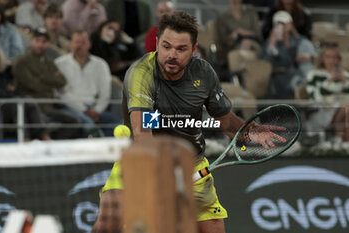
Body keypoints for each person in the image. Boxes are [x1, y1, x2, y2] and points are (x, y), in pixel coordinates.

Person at [92, 11, 286, 233]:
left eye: (181, 49)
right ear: (156, 44)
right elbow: (143, 132)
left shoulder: (203, 74)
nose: (171, 55)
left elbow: (224, 122)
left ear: (194, 50)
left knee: (212, 228)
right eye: (166, 47)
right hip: (140, 159)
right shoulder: (142, 74)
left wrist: (248, 132)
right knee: (108, 221)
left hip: (192, 163)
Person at [12, 27, 81, 140]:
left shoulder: (49, 62)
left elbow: (62, 81)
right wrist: (50, 78)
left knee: (74, 122)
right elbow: (32, 85)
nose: (40, 45)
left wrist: (39, 77)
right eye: (37, 40)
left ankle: (53, 148)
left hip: (49, 106)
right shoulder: (21, 61)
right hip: (31, 107)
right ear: (31, 41)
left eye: (44, 42)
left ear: (48, 44)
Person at [55, 30, 119, 137]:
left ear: (89, 44)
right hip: (70, 107)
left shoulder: (101, 64)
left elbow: (105, 94)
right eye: (77, 42)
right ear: (70, 44)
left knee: (117, 124)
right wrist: (83, 110)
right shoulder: (59, 63)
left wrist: (96, 110)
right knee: (85, 122)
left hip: (95, 108)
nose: (79, 46)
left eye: (83, 42)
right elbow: (62, 93)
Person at [260, 11, 315, 99]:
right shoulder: (270, 42)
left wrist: (310, 56)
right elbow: (264, 64)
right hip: (281, 76)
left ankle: (308, 87)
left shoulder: (299, 40)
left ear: (290, 24)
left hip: (299, 73)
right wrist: (272, 45)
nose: (283, 26)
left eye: (285, 23)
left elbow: (316, 53)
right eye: (279, 24)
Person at [306, 44, 349, 144]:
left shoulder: (345, 75)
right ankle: (344, 142)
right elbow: (315, 98)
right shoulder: (314, 74)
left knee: (346, 108)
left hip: (344, 109)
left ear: (339, 59)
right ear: (322, 59)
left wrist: (344, 81)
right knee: (346, 107)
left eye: (334, 57)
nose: (331, 60)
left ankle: (340, 140)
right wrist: (329, 81)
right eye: (328, 57)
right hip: (323, 110)